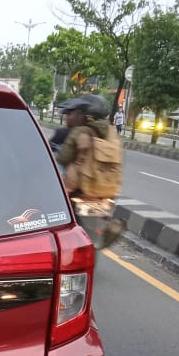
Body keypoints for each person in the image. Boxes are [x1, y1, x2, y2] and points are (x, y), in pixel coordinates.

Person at [57, 94, 125, 248]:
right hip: (106, 193)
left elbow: (62, 157)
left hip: (79, 191)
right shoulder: (113, 135)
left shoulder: (80, 132)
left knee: (66, 229)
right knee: (92, 235)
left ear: (86, 114)